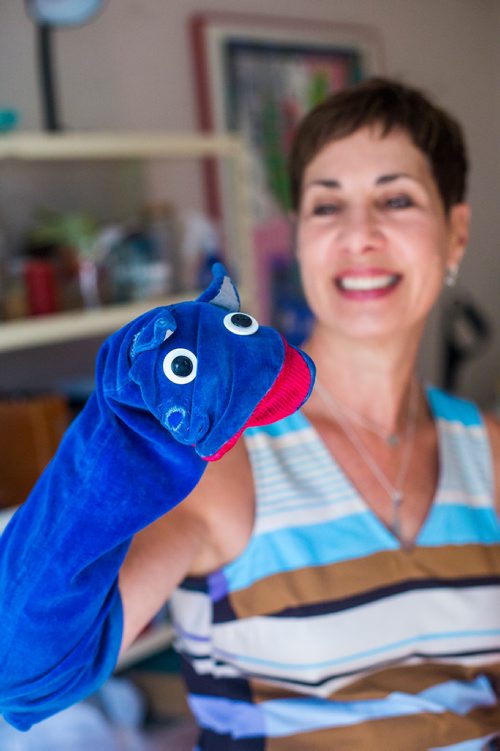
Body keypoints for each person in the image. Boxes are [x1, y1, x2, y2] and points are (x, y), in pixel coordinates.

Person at [3, 77, 500, 749]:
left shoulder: (489, 451)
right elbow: (21, 673)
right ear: (299, 236)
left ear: (456, 231)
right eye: (328, 206)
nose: (360, 234)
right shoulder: (220, 455)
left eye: (397, 198)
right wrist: (122, 435)